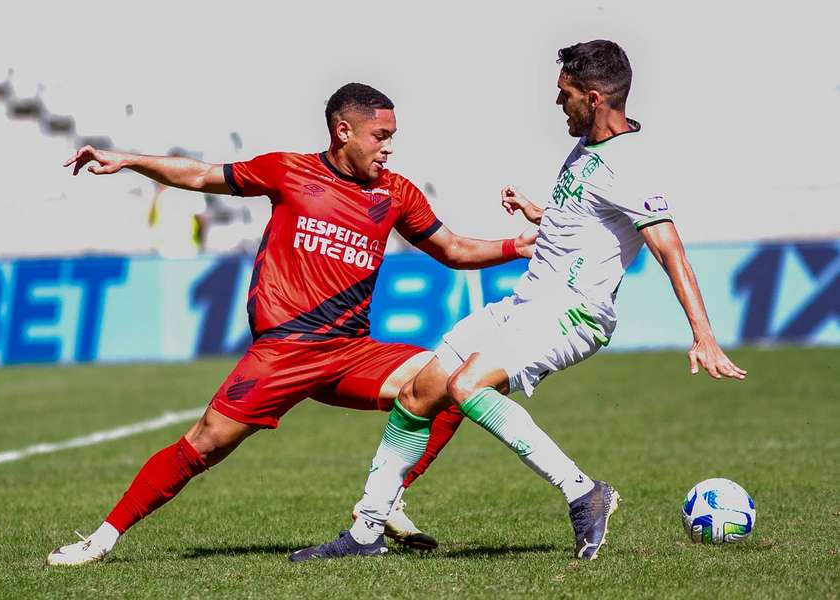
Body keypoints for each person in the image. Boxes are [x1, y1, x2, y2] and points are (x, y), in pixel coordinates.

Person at [291, 40, 747, 563]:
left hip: (574, 314)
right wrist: (540, 215)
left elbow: (671, 250)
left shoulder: (631, 164)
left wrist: (704, 337)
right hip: (526, 304)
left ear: (594, 98)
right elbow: (588, 217)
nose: (559, 104)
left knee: (465, 386)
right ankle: (365, 534)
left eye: (566, 94)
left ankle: (582, 492)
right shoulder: (589, 146)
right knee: (420, 394)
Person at [45, 83, 534, 566]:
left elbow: (454, 250)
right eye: (379, 135)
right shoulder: (289, 171)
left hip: (351, 352)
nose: (388, 147)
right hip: (283, 352)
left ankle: (387, 499)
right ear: (343, 131)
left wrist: (518, 245)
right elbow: (199, 175)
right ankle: (101, 539)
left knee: (456, 382)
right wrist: (131, 160)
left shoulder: (396, 192)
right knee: (203, 445)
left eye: (392, 136)